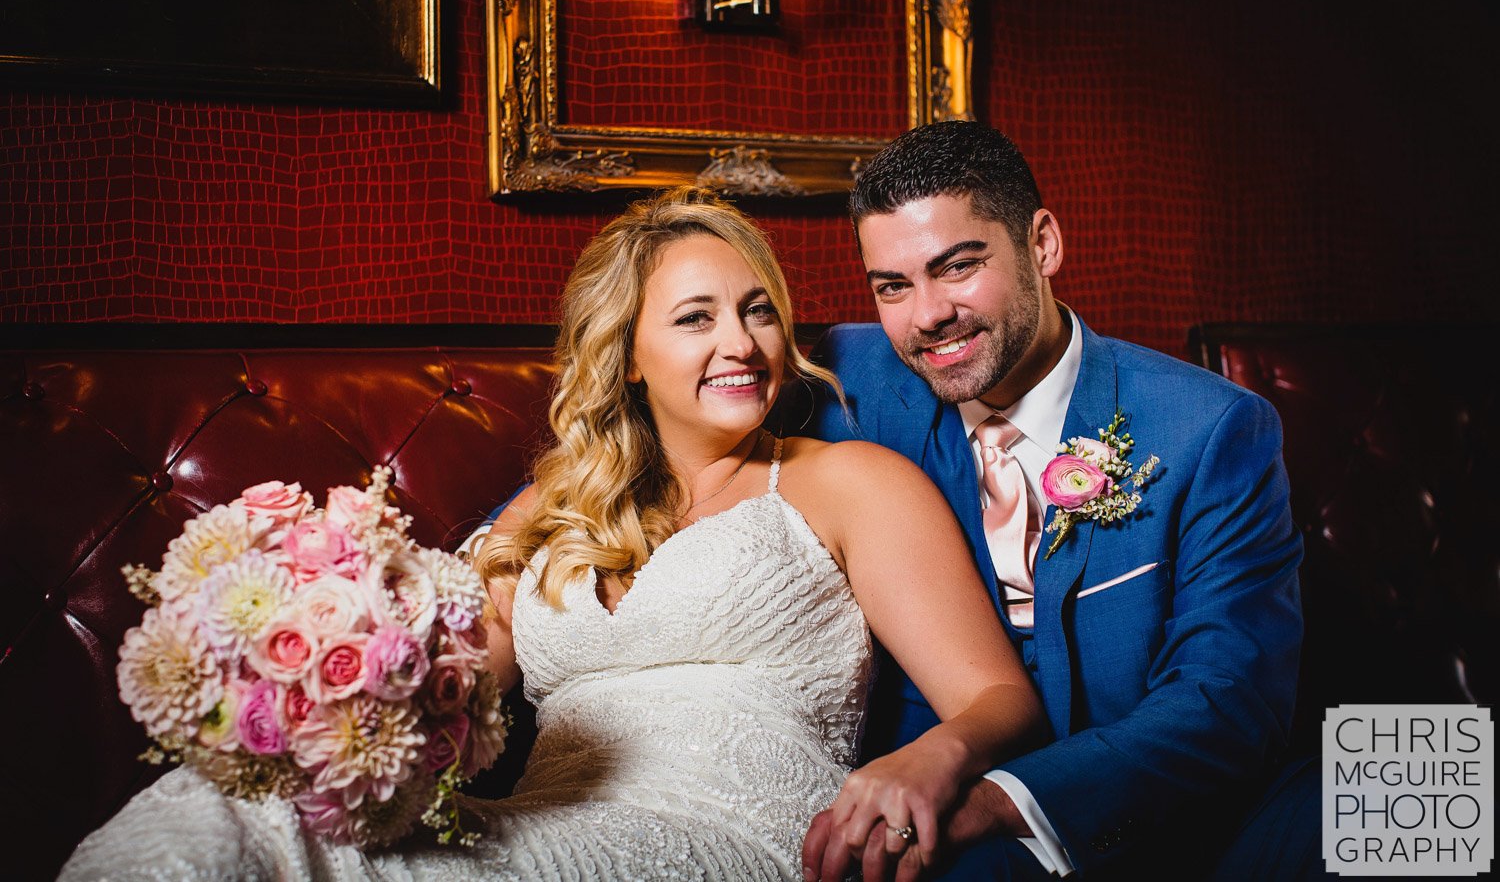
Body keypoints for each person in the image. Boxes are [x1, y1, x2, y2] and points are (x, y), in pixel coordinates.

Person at [61, 187, 1046, 882]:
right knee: (228, 811)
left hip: (740, 837)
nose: (740, 343)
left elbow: (1000, 697)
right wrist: (332, 672)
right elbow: (453, 682)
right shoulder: (555, 504)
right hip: (543, 818)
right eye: (696, 319)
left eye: (757, 312)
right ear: (627, 358)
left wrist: (923, 760)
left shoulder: (847, 481)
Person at [800, 121, 1308, 881]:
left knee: (1444, 794)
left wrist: (1005, 800)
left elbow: (1228, 698)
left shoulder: (1210, 428)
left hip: (1179, 809)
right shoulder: (847, 385)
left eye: (959, 266)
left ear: (1042, 244)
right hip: (940, 830)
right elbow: (673, 417)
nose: (929, 314)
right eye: (893, 287)